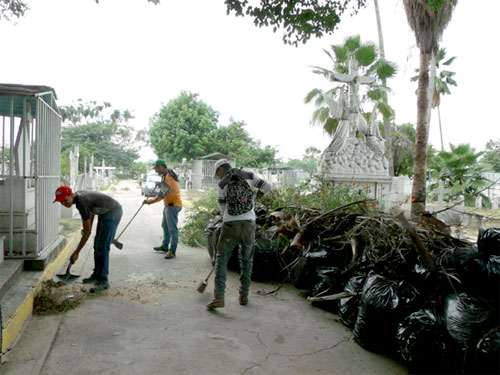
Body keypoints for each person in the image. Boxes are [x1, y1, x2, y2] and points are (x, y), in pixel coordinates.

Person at [207, 159, 272, 309]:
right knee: (247, 259)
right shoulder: (249, 175)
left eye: (218, 172)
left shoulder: (222, 183)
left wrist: (227, 218)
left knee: (222, 258)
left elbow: (222, 207)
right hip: (249, 223)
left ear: (221, 169)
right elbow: (268, 187)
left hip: (230, 223)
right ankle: (243, 296)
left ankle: (219, 297)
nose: (218, 175)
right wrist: (257, 199)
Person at [53, 185, 123, 293]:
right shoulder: (78, 198)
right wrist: (87, 227)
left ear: (71, 195)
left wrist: (76, 252)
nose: (63, 203)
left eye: (64, 200)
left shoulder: (82, 202)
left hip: (113, 212)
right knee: (97, 245)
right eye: (60, 202)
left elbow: (87, 233)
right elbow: (91, 212)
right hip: (104, 213)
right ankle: (96, 274)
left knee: (102, 247)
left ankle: (103, 279)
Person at [144, 159, 182, 259]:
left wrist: (148, 202)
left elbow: (161, 196)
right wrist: (160, 184)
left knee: (172, 229)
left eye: (156, 168)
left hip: (172, 206)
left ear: (161, 167)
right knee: (165, 225)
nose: (155, 171)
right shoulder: (166, 174)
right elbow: (166, 188)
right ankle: (165, 246)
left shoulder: (168, 178)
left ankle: (172, 251)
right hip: (169, 205)